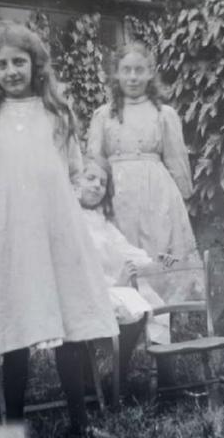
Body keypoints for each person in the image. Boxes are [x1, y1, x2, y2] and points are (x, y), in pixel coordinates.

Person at [0, 21, 117, 436]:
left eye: (20, 62)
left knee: (68, 327)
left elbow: (74, 171)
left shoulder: (57, 114)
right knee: (16, 329)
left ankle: (79, 423)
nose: (12, 71)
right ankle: (14, 425)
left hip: (56, 234)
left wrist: (60, 218)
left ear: (36, 65)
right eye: (3, 65)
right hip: (9, 239)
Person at [86, 43, 199, 304]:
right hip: (118, 197)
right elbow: (95, 161)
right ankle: (129, 320)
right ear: (116, 74)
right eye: (126, 70)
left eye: (139, 70)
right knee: (123, 253)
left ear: (151, 73)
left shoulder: (164, 114)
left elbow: (176, 158)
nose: (133, 77)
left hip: (156, 196)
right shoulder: (103, 116)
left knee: (158, 250)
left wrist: (182, 198)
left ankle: (162, 322)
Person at [73, 160, 164, 383]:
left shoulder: (100, 221)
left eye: (103, 183)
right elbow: (79, 266)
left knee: (150, 303)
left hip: (111, 286)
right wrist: (116, 284)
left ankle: (127, 373)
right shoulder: (70, 219)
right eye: (91, 178)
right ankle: (99, 377)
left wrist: (160, 262)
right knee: (131, 306)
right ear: (75, 181)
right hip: (84, 288)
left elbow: (126, 250)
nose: (97, 186)